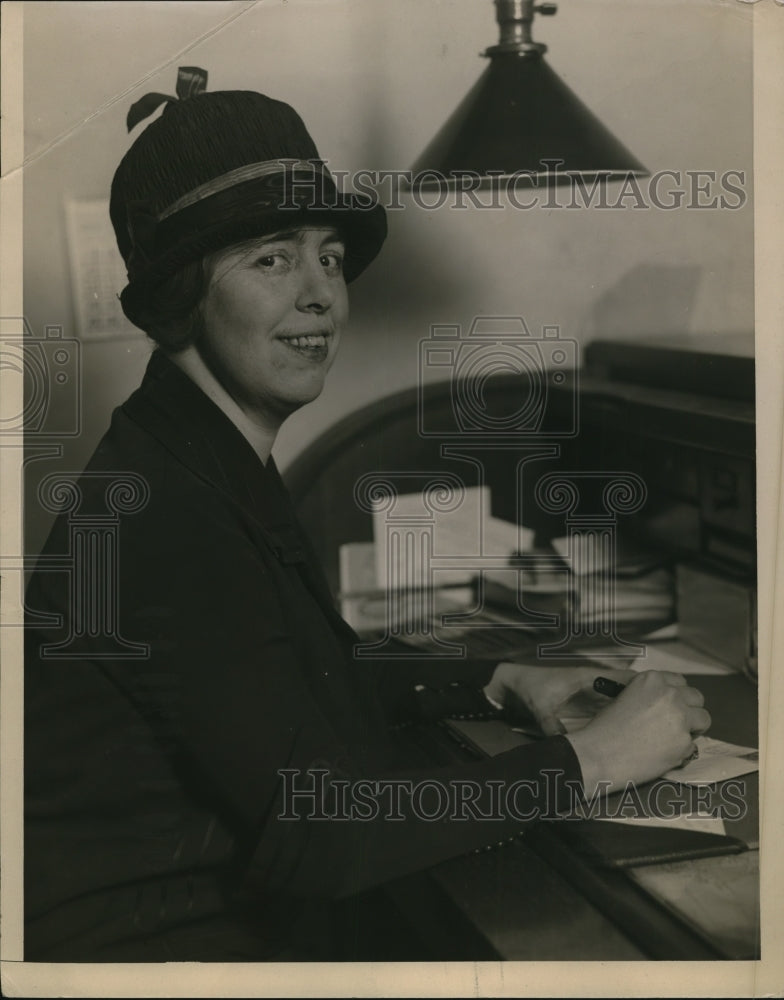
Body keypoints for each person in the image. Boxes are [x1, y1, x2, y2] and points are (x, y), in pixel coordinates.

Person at [23, 68, 710, 962]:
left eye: (329, 257)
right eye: (272, 258)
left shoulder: (188, 455)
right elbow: (324, 836)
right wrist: (595, 763)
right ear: (179, 293)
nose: (321, 295)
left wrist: (499, 680)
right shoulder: (166, 513)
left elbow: (286, 676)